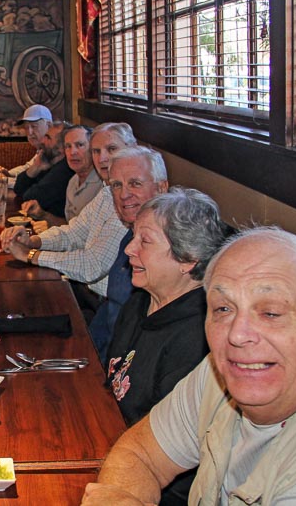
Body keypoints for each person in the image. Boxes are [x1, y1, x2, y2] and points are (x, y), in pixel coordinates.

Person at [82, 227, 296, 505]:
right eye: (223, 309)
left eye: (271, 313)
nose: (237, 334)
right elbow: (141, 452)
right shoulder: (235, 367)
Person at [104, 187, 229, 505]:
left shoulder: (199, 338)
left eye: (144, 241)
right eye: (133, 236)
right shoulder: (139, 302)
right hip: (109, 448)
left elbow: (172, 468)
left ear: (188, 259)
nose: (129, 249)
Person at [0, 123, 133, 305]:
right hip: (94, 295)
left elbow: (91, 265)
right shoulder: (106, 192)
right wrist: (32, 241)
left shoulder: (129, 198)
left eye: (111, 149)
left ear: (131, 150)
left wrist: (30, 255)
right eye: (96, 151)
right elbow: (74, 232)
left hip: (115, 305)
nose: (102, 158)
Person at [87, 143, 169, 363]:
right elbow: (111, 311)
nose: (124, 195)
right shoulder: (128, 237)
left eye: (135, 183)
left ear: (162, 188)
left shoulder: (169, 252)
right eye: (116, 185)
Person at [14, 121, 75, 220]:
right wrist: (35, 167)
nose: (42, 141)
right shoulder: (48, 163)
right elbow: (19, 188)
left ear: (62, 148)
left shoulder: (64, 170)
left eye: (48, 138)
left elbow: (31, 197)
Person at [0, 103, 52, 178]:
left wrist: (5, 180)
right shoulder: (41, 149)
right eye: (26, 127)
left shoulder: (54, 152)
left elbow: (35, 183)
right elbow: (27, 168)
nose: (29, 132)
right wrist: (7, 173)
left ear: (49, 126)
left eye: (34, 126)